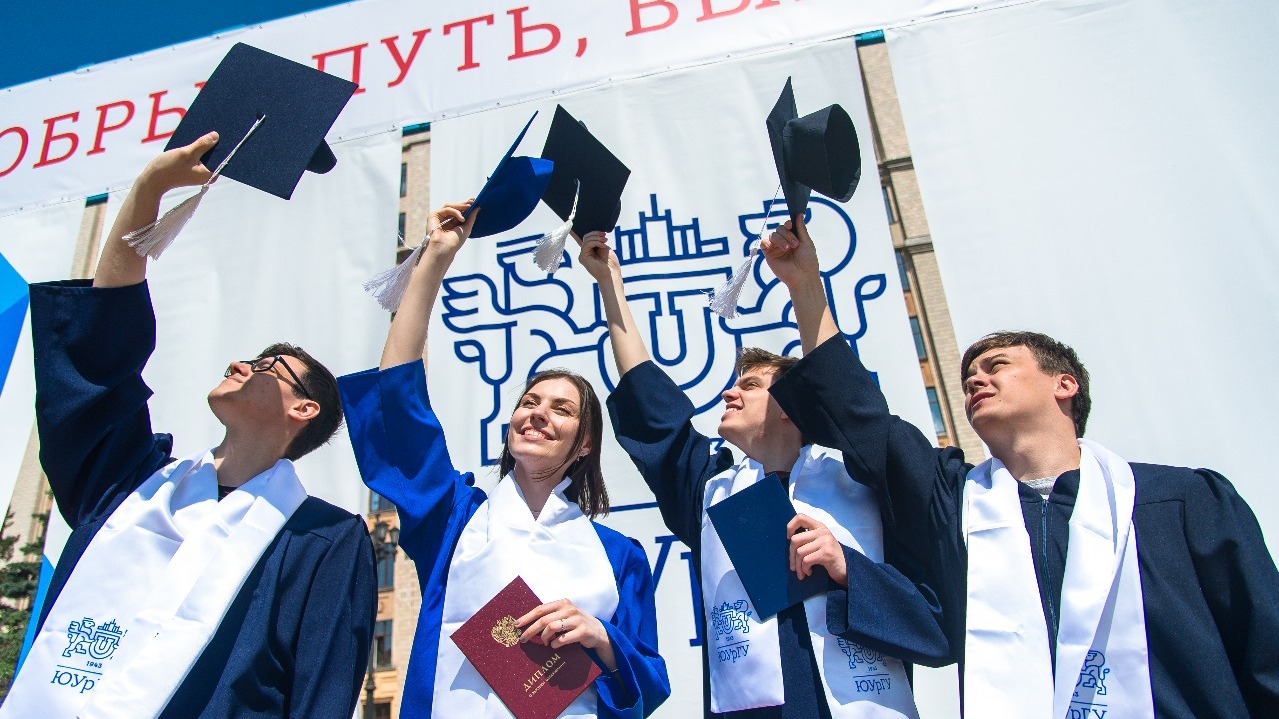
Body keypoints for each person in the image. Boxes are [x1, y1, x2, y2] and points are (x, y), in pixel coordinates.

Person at [763, 218, 1279, 718]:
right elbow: (861, 417)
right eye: (968, 378)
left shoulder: (1178, 500)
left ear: (1064, 384)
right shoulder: (957, 505)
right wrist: (805, 286)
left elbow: (1265, 649)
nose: (974, 381)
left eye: (997, 366)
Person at [2, 134, 376, 719]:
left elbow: (320, 695)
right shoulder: (128, 485)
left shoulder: (322, 538)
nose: (240, 365)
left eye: (267, 366)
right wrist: (149, 191)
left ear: (304, 409)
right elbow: (103, 355)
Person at [576, 230, 949, 719]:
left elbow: (929, 611)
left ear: (792, 406)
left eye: (750, 385)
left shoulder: (860, 481)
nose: (729, 394)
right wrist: (610, 285)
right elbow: (653, 413)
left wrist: (845, 566)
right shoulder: (712, 492)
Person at [338, 202, 670, 719]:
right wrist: (434, 259)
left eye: (561, 409)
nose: (537, 414)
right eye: (529, 402)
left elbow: (647, 685)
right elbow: (400, 412)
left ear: (585, 443)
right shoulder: (454, 520)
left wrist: (600, 637)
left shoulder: (620, 557)